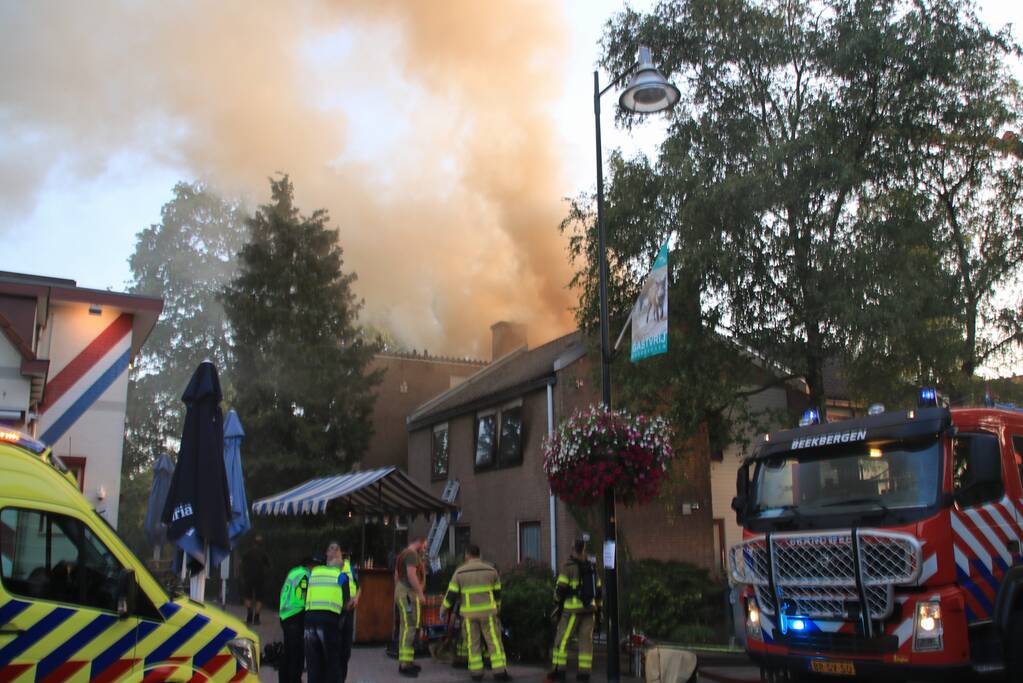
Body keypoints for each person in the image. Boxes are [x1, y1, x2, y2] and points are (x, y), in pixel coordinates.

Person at [440, 544, 510, 682]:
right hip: (488, 614)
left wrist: (443, 609)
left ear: (467, 555)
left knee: (473, 644)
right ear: (479, 555)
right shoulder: (491, 570)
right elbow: (497, 594)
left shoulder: (459, 572)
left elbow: (451, 595)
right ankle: (500, 672)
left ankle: (476, 673)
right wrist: (498, 608)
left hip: (469, 616)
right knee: (494, 643)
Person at [548, 537, 602, 682]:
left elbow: (560, 589)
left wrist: (556, 602)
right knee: (586, 642)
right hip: (590, 609)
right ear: (584, 549)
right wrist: (599, 608)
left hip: (572, 611)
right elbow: (599, 589)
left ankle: (559, 671)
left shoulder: (568, 566)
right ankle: (584, 674)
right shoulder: (592, 566)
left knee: (562, 640)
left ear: (573, 549)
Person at [304, 555, 351, 683]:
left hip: (309, 620)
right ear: (340, 568)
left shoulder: (315, 573)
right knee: (332, 662)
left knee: (313, 664)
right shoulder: (341, 576)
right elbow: (346, 603)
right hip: (328, 622)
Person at [394, 537, 428, 677]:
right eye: (424, 546)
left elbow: (396, 576)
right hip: (408, 594)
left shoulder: (402, 554)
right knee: (411, 626)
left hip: (402, 592)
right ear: (419, 542)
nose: (424, 549)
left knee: (405, 627)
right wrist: (420, 593)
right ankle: (405, 665)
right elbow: (411, 574)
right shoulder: (412, 554)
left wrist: (397, 592)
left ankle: (406, 660)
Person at [278, 557, 313, 683]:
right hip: (296, 615)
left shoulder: (294, 572)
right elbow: (303, 597)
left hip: (285, 614)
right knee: (296, 655)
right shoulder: (305, 575)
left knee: (288, 652)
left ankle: (284, 680)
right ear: (309, 565)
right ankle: (294, 680)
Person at [338, 546, 360, 683]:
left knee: (345, 651)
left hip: (348, 612)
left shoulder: (349, 567)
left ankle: (342, 678)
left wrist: (356, 599)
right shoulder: (326, 569)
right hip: (333, 613)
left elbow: (359, 586)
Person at [242, 535, 271, 625]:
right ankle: (257, 617)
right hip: (260, 578)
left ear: (253, 543)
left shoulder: (248, 553)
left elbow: (242, 564)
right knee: (260, 598)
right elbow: (269, 566)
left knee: (247, 596)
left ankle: (249, 615)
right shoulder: (264, 553)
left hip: (248, 578)